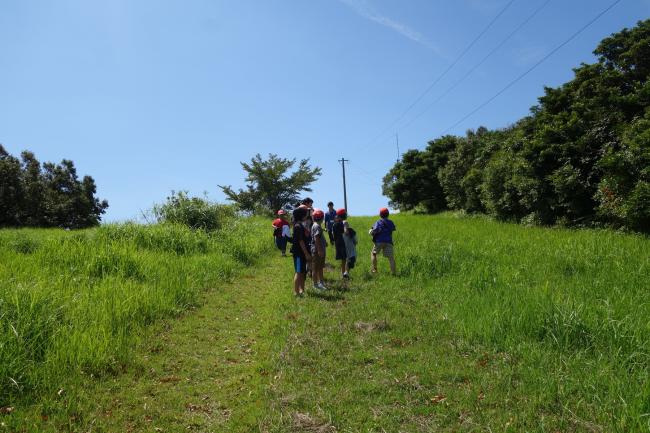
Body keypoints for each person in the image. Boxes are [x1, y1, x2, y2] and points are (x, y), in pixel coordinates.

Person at [291, 207, 311, 297]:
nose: (307, 215)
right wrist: (306, 253)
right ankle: (296, 292)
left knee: (303, 272)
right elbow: (300, 241)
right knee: (298, 272)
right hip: (299, 253)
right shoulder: (298, 226)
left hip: (302, 253)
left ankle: (302, 290)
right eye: (306, 214)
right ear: (302, 215)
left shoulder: (301, 225)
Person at [370, 207, 396, 275]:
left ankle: (375, 270)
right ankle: (393, 273)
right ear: (388, 214)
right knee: (391, 258)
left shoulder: (378, 222)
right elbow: (393, 228)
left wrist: (371, 232)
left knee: (373, 254)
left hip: (379, 241)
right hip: (389, 242)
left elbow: (374, 231)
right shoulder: (391, 222)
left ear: (380, 215)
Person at [310, 209, 328, 290]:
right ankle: (315, 285)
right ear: (322, 218)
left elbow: (319, 237)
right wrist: (320, 250)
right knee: (316, 268)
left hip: (319, 249)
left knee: (320, 267)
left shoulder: (316, 225)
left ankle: (321, 282)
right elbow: (316, 238)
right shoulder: (317, 226)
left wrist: (324, 242)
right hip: (317, 250)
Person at [332, 208, 349, 279]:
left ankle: (342, 274)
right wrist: (346, 227)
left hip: (337, 243)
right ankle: (345, 273)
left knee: (343, 259)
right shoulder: (344, 223)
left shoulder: (334, 224)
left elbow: (333, 235)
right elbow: (346, 232)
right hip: (344, 243)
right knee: (347, 258)